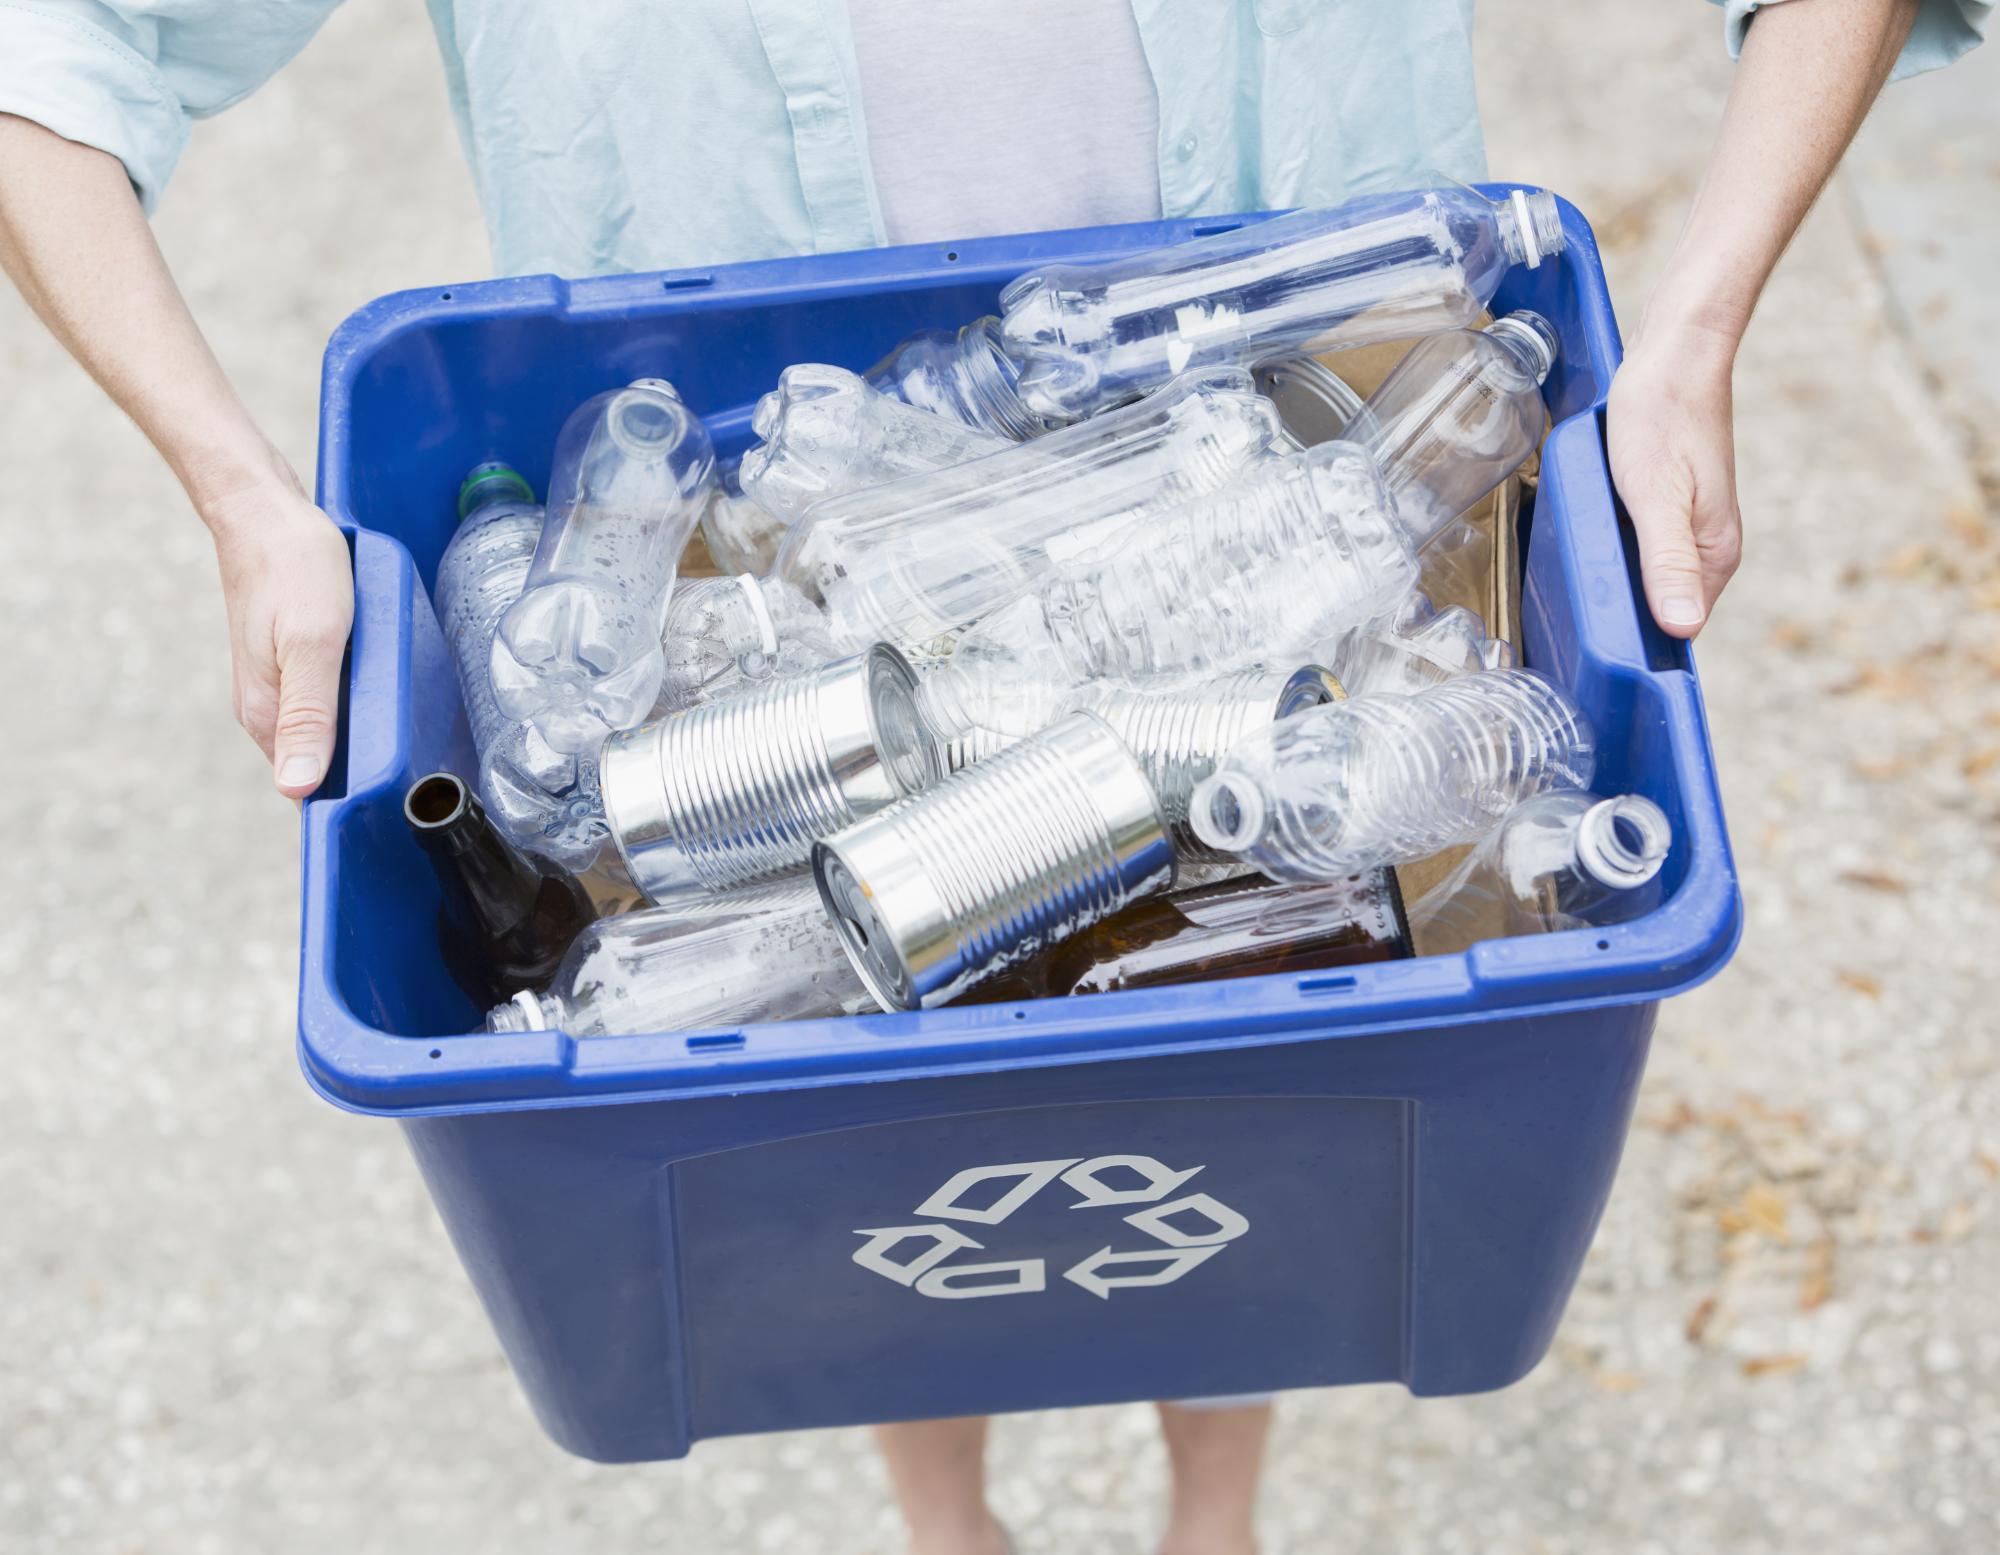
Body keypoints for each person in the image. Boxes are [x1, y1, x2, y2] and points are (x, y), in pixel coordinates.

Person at [0, 1, 1983, 1551]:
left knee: (1251, 1050)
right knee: (846, 1113)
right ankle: (949, 1522)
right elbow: (56, 42)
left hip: (1278, 471)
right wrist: (246, 499)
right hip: (803, 538)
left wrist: (1698, 318)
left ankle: (1217, 1511)